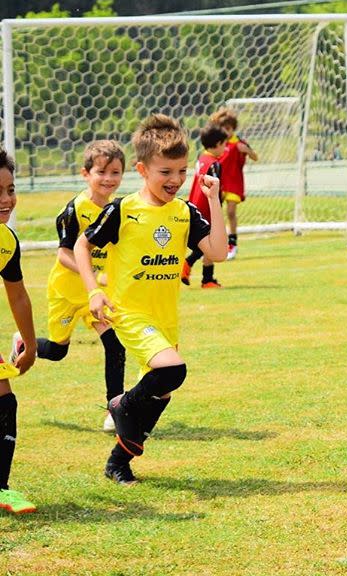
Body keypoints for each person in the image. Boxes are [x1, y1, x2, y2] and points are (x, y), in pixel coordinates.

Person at [74, 114, 228, 485]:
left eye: (181, 171)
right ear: (142, 170)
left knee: (162, 394)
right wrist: (94, 291)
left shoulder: (185, 213)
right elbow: (82, 245)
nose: (175, 180)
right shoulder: (123, 210)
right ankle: (120, 404)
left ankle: (118, 462)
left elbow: (219, 253)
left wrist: (214, 199)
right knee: (172, 370)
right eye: (165, 172)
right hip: (129, 313)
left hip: (165, 318)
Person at [20, 141, 127, 434]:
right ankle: (24, 342)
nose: (108, 178)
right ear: (85, 173)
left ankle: (114, 410)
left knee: (115, 345)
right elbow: (64, 254)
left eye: (115, 172)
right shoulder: (74, 210)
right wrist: (94, 274)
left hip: (97, 295)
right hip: (67, 292)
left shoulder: (121, 209)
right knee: (56, 351)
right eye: (101, 171)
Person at [0, 149, 37, 514]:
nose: (6, 199)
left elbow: (18, 295)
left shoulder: (6, 241)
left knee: (4, 399)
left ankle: (1, 488)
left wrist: (31, 344)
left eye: (10, 189)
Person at [181, 122, 228, 288]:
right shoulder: (214, 164)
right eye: (224, 144)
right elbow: (213, 187)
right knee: (210, 243)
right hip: (206, 207)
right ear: (216, 144)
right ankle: (197, 272)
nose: (225, 148)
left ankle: (207, 278)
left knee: (206, 242)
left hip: (195, 203)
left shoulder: (202, 158)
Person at [209, 107, 258, 261]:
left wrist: (247, 151)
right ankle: (213, 242)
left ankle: (233, 244)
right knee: (214, 214)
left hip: (234, 183)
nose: (226, 131)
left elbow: (255, 157)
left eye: (229, 128)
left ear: (233, 128)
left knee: (230, 212)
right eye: (223, 128)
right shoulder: (218, 143)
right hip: (218, 182)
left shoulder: (239, 143)